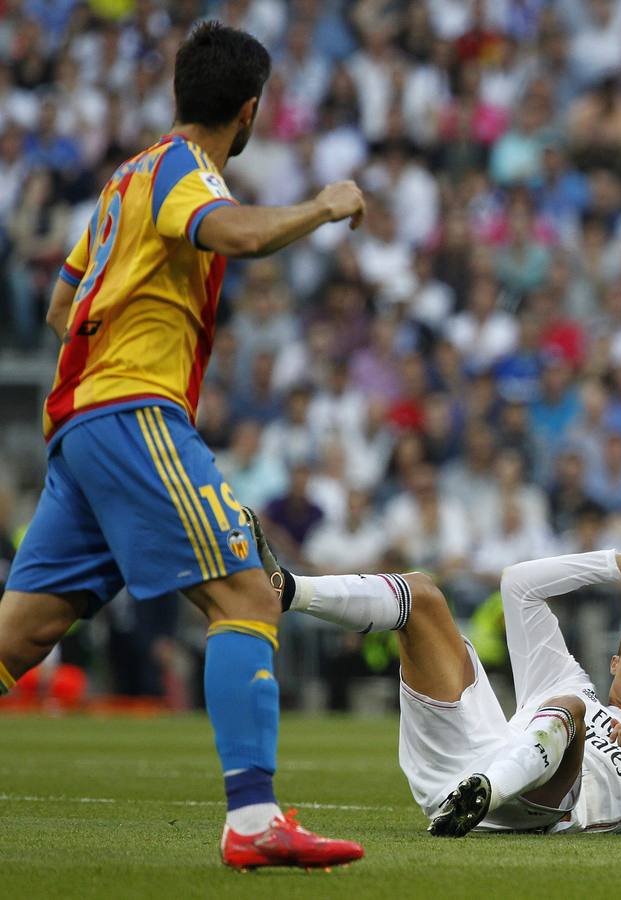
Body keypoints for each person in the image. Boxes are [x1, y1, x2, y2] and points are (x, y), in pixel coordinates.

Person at [0, 22, 367, 870]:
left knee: (20, 636)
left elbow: (63, 309)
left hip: (81, 425)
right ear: (248, 112)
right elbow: (230, 233)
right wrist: (323, 204)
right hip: (133, 413)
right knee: (247, 594)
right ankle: (253, 820)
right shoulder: (182, 171)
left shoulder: (122, 180)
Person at [245, 507, 621, 838]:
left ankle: (486, 794)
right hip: (462, 768)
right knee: (424, 594)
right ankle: (286, 590)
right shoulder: (565, 676)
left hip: (537, 808)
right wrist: (618, 563)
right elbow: (518, 583)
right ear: (615, 662)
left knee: (570, 709)